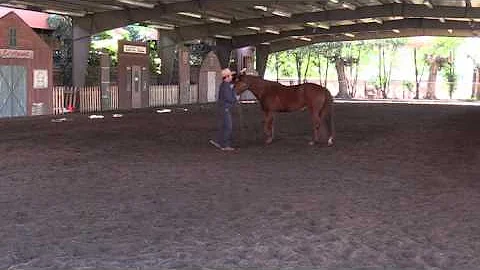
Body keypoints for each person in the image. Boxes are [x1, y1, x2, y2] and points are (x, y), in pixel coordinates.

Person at [209, 68, 237, 151]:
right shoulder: (226, 86)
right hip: (225, 108)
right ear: (227, 77)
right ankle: (225, 145)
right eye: (230, 76)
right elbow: (229, 98)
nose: (232, 77)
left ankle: (218, 141)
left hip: (223, 108)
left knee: (224, 126)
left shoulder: (225, 85)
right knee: (228, 126)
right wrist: (235, 98)